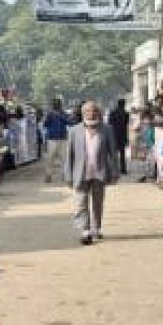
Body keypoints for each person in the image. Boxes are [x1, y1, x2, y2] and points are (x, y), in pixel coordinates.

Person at [64, 101, 119, 245]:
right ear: (83, 114)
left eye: (94, 111)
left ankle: (96, 228)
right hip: (80, 172)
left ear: (99, 113)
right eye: (88, 111)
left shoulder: (107, 129)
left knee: (97, 202)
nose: (91, 114)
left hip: (99, 172)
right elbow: (69, 155)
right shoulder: (74, 131)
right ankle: (85, 230)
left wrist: (115, 172)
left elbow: (113, 153)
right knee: (81, 203)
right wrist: (68, 174)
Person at [41, 99, 70, 184]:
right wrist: (50, 116)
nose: (56, 106)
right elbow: (45, 124)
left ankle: (65, 175)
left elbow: (69, 122)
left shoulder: (64, 114)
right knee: (50, 158)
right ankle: (48, 175)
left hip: (62, 138)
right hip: (52, 138)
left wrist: (60, 116)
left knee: (64, 158)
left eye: (57, 104)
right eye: (55, 105)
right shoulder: (49, 114)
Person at [108, 98, 130, 172]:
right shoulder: (126, 113)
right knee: (122, 153)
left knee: (114, 152)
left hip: (114, 134)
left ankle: (114, 168)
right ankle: (123, 169)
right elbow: (126, 125)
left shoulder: (112, 113)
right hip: (122, 135)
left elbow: (109, 124)